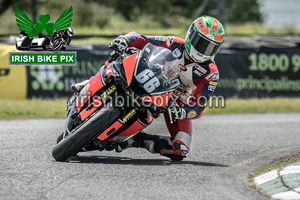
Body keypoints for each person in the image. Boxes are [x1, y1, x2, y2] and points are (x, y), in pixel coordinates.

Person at [74, 16, 225, 160]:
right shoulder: (174, 43)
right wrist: (125, 39)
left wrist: (183, 111)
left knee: (181, 149)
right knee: (119, 55)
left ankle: (137, 140)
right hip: (153, 79)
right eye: (201, 43)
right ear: (191, 35)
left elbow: (199, 106)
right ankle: (91, 82)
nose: (204, 50)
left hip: (173, 103)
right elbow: (142, 39)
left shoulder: (211, 73)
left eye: (211, 47)